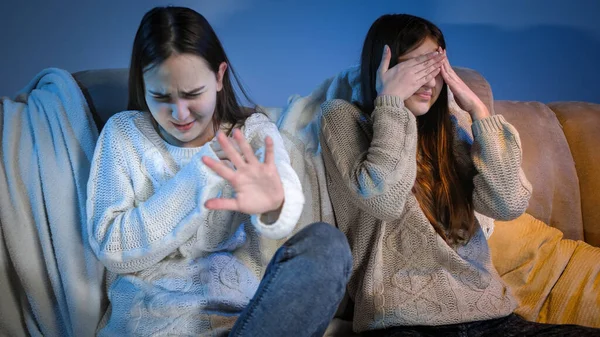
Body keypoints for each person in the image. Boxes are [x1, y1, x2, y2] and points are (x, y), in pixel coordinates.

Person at [319, 14, 599, 336]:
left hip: (492, 316)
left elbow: (508, 204)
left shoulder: (450, 126)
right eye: (413, 68)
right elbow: (384, 200)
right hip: (401, 321)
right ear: (382, 70)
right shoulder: (342, 118)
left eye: (434, 68)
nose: (428, 82)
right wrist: (391, 103)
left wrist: (480, 115)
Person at [86, 6, 351, 337]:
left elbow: (286, 196)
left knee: (328, 246)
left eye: (193, 94)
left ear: (219, 76)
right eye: (160, 96)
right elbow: (113, 249)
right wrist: (198, 177)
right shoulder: (124, 134)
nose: (179, 113)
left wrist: (275, 204)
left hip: (245, 325)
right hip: (153, 326)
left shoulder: (253, 132)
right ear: (141, 84)